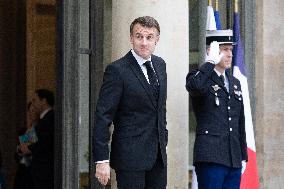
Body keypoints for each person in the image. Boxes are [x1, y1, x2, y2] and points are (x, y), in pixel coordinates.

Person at [93, 16, 168, 188]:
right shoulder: (117, 70)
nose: (144, 42)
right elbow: (103, 116)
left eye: (149, 37)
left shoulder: (160, 65)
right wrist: (101, 159)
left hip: (158, 157)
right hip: (129, 158)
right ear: (131, 38)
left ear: (157, 39)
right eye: (138, 36)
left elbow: (160, 109)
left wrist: (163, 141)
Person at [186, 30, 248, 189]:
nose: (230, 54)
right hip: (211, 157)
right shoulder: (200, 77)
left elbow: (240, 121)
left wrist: (243, 155)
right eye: (225, 49)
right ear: (211, 50)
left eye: (231, 50)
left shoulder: (235, 83)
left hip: (233, 157)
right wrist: (210, 62)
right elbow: (194, 87)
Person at [19, 89, 54, 189]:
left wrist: (28, 148)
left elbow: (43, 143)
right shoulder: (28, 129)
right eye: (30, 111)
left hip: (43, 172)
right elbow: (21, 148)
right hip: (27, 171)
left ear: (43, 101)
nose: (32, 112)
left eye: (35, 100)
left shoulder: (47, 120)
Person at [14, 102, 38, 189]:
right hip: (23, 173)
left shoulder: (41, 130)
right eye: (30, 111)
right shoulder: (24, 131)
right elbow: (20, 151)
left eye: (34, 110)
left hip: (35, 173)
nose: (32, 113)